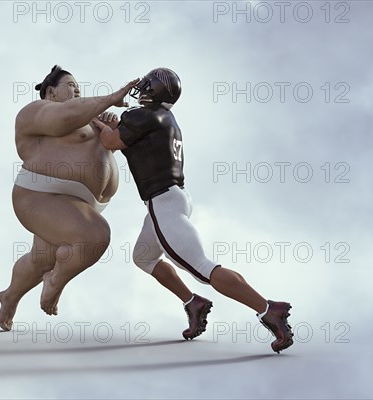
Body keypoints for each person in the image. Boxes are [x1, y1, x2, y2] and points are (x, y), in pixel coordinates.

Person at [93, 68, 294, 353]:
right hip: (170, 199)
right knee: (144, 256)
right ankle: (193, 303)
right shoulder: (162, 117)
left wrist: (96, 120)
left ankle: (268, 309)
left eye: (147, 85)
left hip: (163, 201)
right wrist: (110, 123)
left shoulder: (145, 116)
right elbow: (119, 137)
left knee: (203, 269)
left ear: (154, 90)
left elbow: (110, 143)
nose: (141, 89)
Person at [0, 65, 138, 330]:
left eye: (79, 88)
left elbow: (94, 155)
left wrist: (107, 134)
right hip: (42, 195)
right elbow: (63, 119)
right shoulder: (36, 111)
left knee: (41, 259)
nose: (77, 91)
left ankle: (9, 296)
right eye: (71, 86)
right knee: (94, 236)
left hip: (78, 203)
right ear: (51, 91)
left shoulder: (88, 119)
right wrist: (108, 99)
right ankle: (55, 282)